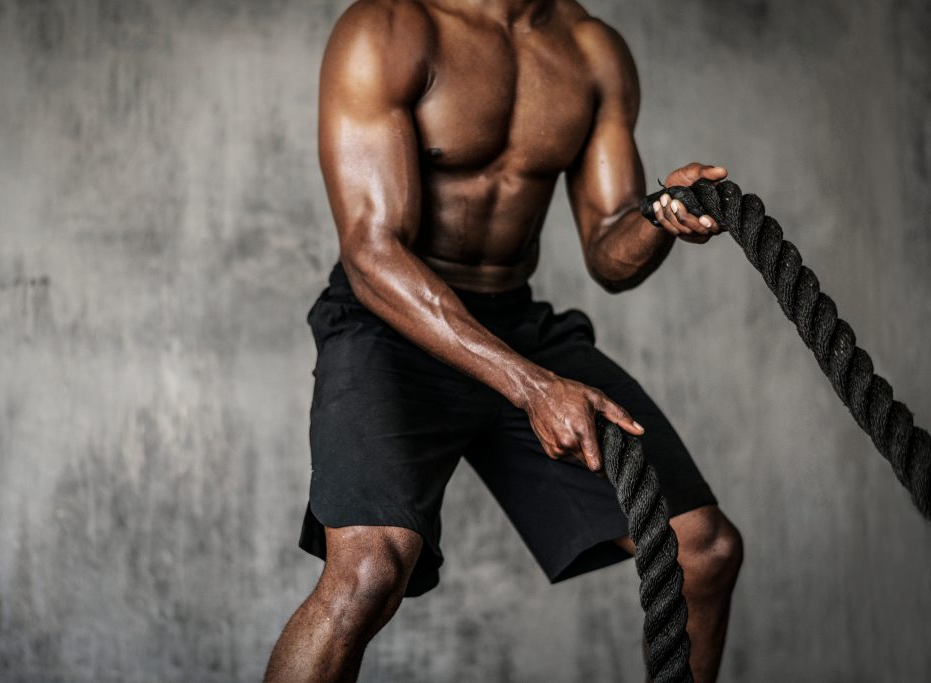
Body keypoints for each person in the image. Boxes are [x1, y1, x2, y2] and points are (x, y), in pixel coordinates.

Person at [266, 1, 743, 681]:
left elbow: (610, 251)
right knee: (368, 573)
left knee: (704, 549)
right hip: (391, 320)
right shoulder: (390, 28)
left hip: (514, 322)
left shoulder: (591, 50)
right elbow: (372, 251)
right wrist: (531, 386)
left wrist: (661, 217)